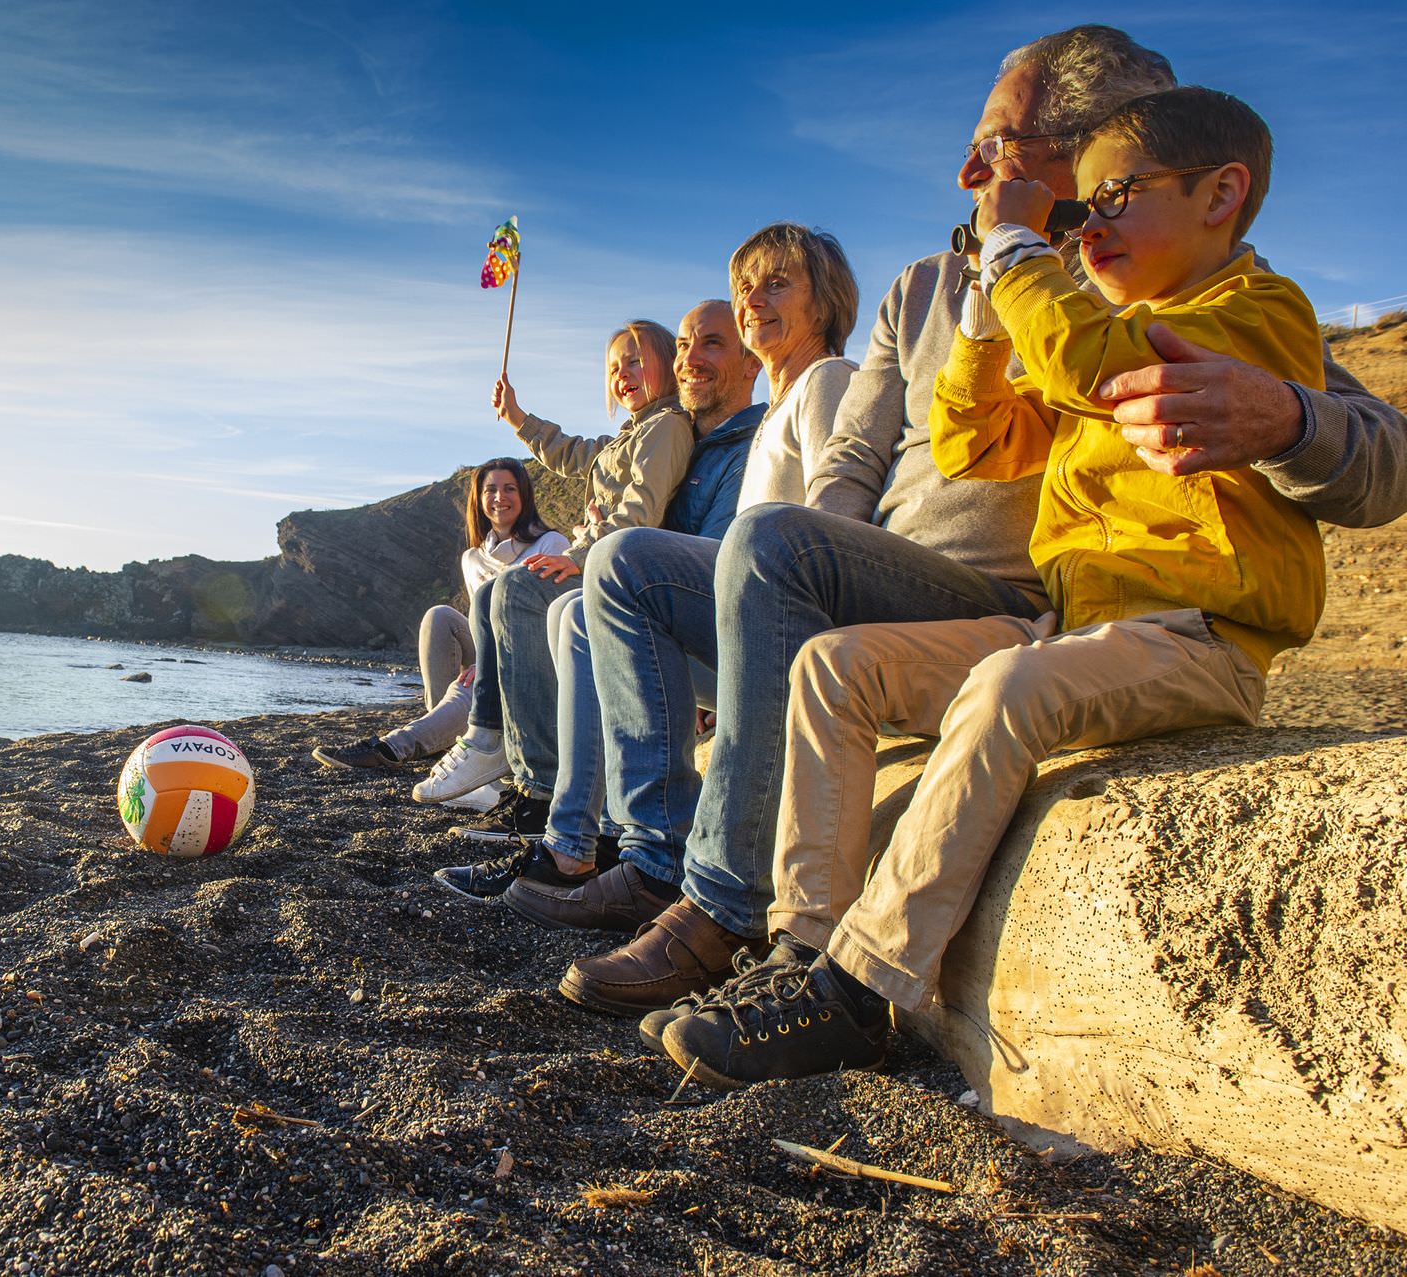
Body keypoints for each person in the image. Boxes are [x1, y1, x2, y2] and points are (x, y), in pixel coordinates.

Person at [542, 24, 1406, 1023]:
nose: (966, 171)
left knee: (773, 547)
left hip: (1030, 601)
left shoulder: (1182, 287)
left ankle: (726, 905)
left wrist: (1287, 416)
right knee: (642, 564)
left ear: (1096, 148)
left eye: (997, 144)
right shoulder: (928, 286)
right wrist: (821, 577)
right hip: (882, 578)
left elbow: (1380, 453)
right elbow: (872, 458)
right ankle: (694, 880)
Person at [656, 85, 1325, 1086]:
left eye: (1115, 199)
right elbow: (976, 438)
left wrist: (1016, 250)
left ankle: (861, 989)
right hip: (1079, 627)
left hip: (1201, 636)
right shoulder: (1104, 324)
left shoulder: (1254, 312)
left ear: (1221, 194)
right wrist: (981, 298)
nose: (1087, 228)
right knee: (835, 667)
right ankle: (803, 948)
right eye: (1080, 208)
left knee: (1007, 689)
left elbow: (1092, 364)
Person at [432, 224, 860, 901]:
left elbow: (830, 535)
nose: (692, 357)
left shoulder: (814, 392)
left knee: (587, 593)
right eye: (686, 343)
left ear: (748, 358)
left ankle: (598, 841)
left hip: (772, 642)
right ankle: (581, 834)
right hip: (725, 629)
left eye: (711, 342)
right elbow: (584, 458)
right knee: (579, 606)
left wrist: (598, 551)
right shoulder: (713, 435)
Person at [411, 306, 751, 833]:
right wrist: (520, 420)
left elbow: (639, 511)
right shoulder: (627, 438)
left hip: (612, 567)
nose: (623, 373)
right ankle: (490, 740)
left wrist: (575, 557)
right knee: (490, 596)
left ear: (669, 365)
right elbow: (568, 453)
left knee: (517, 593)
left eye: (637, 360)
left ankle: (532, 778)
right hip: (601, 558)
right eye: (616, 366)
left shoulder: (666, 428)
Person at [311, 458, 566, 784]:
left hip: (531, 654)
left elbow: (549, 619)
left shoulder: (551, 544)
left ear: (525, 496)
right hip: (489, 645)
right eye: (491, 490)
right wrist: (485, 658)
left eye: (509, 489)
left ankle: (389, 749)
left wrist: (494, 660)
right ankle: (438, 733)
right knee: (439, 616)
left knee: (475, 683)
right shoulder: (472, 558)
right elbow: (480, 621)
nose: (499, 497)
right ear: (479, 499)